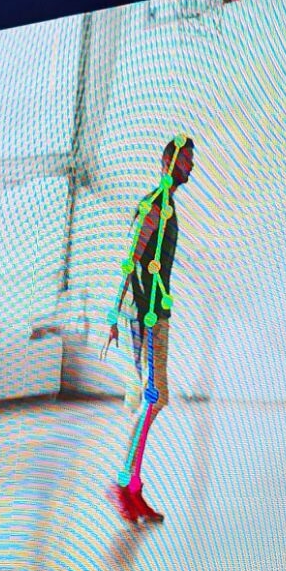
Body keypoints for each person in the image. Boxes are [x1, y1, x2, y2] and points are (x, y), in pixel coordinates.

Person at [104, 136, 195, 525]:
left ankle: (133, 485)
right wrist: (115, 314)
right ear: (168, 162)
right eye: (186, 160)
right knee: (153, 398)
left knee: (153, 399)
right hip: (145, 313)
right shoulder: (155, 206)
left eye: (191, 161)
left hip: (155, 311)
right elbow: (131, 258)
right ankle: (123, 483)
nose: (190, 168)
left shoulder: (166, 206)